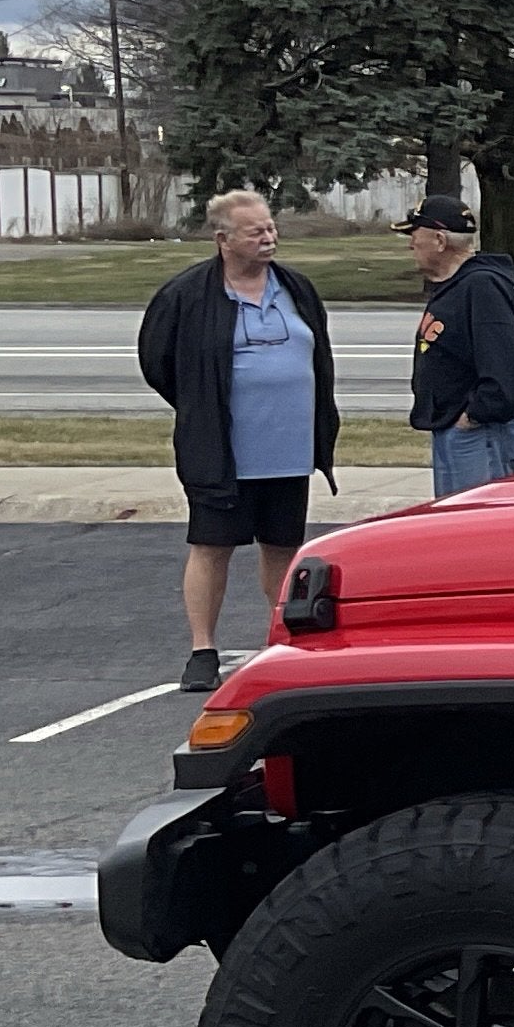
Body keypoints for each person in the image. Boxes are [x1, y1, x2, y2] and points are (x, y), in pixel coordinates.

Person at [136, 187, 338, 694]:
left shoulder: (296, 288)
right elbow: (158, 363)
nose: (269, 238)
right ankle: (202, 651)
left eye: (271, 228)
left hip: (289, 449)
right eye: (256, 232)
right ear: (223, 239)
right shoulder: (187, 295)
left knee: (283, 547)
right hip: (221, 452)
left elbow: (318, 352)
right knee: (212, 546)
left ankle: (283, 641)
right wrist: (202, 406)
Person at [403, 196, 514, 495]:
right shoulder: (459, 286)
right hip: (458, 429)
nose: (411, 245)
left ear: (439, 240)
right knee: (454, 528)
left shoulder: (481, 288)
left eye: (414, 235)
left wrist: (472, 417)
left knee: (480, 530)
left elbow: (507, 373)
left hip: (481, 434)